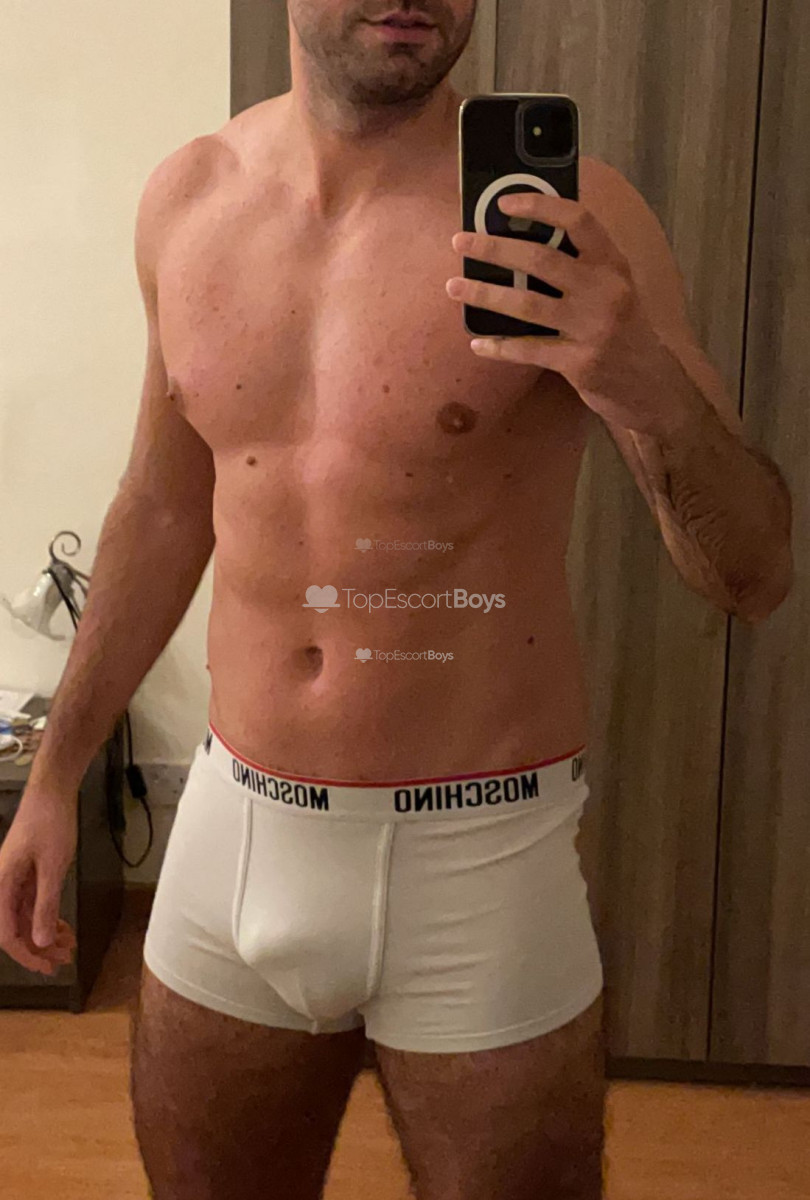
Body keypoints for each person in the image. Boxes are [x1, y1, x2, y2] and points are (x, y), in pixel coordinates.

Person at [0, 2, 793, 1198]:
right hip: (238, 835)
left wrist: (636, 373)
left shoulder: (578, 222)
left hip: (479, 857)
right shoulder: (188, 200)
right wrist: (56, 773)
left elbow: (754, 574)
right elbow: (161, 511)